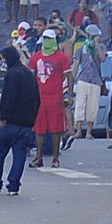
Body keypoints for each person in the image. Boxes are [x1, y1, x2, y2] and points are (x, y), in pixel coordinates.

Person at [0, 45, 37, 195]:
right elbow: (37, 98)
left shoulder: (11, 74)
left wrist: (3, 116)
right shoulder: (29, 74)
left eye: (3, 59)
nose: (2, 62)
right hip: (26, 122)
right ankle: (14, 186)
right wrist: (32, 118)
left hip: (10, 122)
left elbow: (8, 98)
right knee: (19, 155)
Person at [27, 28, 71, 168]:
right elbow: (31, 76)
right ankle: (38, 157)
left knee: (56, 129)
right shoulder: (36, 57)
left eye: (49, 39)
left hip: (55, 97)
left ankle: (55, 158)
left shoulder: (61, 57)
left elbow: (69, 76)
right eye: (44, 38)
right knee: (39, 129)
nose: (46, 41)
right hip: (39, 97)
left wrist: (69, 94)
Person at [71, 23, 106, 140]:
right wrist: (72, 78)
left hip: (95, 80)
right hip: (83, 78)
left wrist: (97, 45)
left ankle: (89, 131)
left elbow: (103, 58)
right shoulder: (82, 48)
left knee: (93, 106)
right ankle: (79, 130)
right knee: (80, 104)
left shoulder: (100, 47)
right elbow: (76, 64)